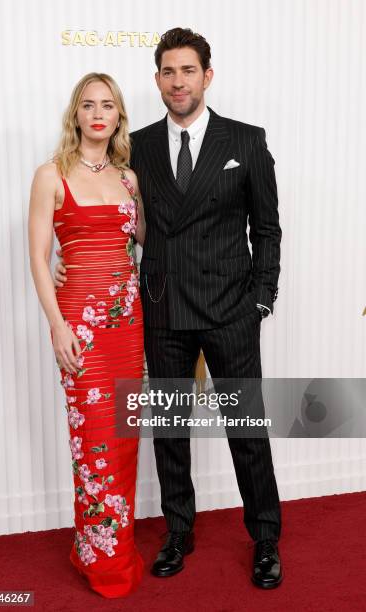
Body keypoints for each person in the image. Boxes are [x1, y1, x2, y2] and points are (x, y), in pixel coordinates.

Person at [55, 27, 283, 589]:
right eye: (167, 72)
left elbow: (268, 227)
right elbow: (110, 215)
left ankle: (266, 538)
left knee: (246, 427)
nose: (177, 82)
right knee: (170, 430)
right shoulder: (141, 149)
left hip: (231, 310)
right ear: (157, 79)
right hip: (161, 309)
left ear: (207, 76)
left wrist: (261, 299)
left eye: (188, 71)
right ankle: (179, 531)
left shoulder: (246, 141)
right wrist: (63, 258)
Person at [28, 72, 145, 598]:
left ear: (119, 115)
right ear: (75, 114)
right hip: (82, 329)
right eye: (88, 105)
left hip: (129, 324)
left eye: (108, 105)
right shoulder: (50, 175)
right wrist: (57, 326)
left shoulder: (129, 179)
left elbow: (144, 242)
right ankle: (103, 561)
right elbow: (37, 256)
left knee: (122, 443)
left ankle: (104, 547)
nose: (98, 113)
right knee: (92, 444)